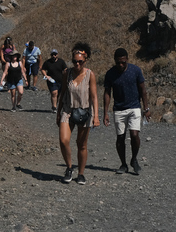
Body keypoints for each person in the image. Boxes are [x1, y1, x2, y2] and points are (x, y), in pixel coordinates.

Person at [103, 48, 151, 176]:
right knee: (120, 137)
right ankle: (123, 164)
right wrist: (105, 113)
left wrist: (146, 109)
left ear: (127, 60)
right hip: (119, 109)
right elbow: (107, 93)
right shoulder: (110, 74)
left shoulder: (135, 70)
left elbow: (143, 90)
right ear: (115, 61)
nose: (121, 65)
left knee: (135, 135)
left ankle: (134, 159)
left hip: (134, 107)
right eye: (118, 62)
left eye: (123, 62)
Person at [57, 42, 99, 185]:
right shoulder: (67, 73)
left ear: (85, 60)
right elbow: (62, 92)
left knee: (81, 144)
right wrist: (58, 112)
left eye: (80, 62)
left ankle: (81, 173)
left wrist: (97, 116)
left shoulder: (90, 74)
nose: (77, 64)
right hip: (68, 110)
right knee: (63, 140)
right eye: (74, 61)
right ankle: (69, 168)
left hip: (84, 112)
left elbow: (94, 97)